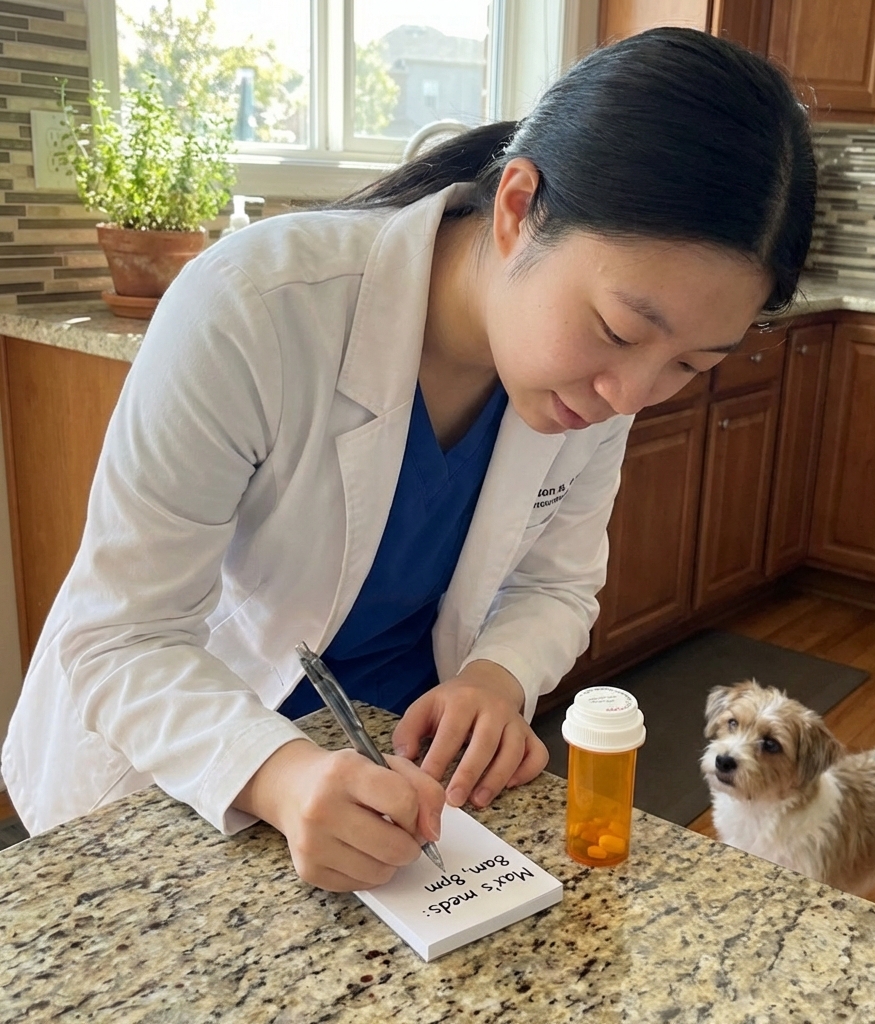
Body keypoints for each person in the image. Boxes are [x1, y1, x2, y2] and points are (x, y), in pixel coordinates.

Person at [1, 27, 816, 892]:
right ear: (516, 208)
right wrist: (279, 774)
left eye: (692, 365)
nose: (632, 394)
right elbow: (125, 635)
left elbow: (557, 584)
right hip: (186, 760)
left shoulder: (595, 383)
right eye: (619, 330)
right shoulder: (250, 308)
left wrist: (496, 681)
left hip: (407, 777)